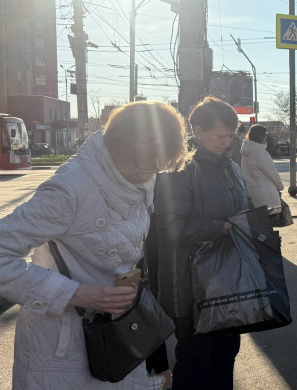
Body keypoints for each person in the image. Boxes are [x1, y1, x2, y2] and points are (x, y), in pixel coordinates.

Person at [0, 101, 188, 389]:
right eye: (143, 161)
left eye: (157, 165)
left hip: (120, 338)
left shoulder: (142, 178)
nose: (148, 172)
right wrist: (76, 294)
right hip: (61, 350)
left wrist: (156, 362)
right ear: (118, 145)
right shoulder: (71, 188)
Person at [153, 96, 251, 390]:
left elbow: (239, 209)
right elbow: (170, 229)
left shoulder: (231, 167)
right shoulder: (179, 171)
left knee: (225, 358)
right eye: (221, 136)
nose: (226, 142)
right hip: (191, 288)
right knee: (195, 365)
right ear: (197, 131)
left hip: (229, 282)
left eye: (231, 136)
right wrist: (222, 227)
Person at [240, 124, 285, 210]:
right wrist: (280, 187)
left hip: (253, 192)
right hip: (266, 194)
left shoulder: (246, 153)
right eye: (265, 136)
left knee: (259, 221)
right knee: (269, 220)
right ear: (260, 136)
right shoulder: (260, 153)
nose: (266, 138)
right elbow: (272, 173)